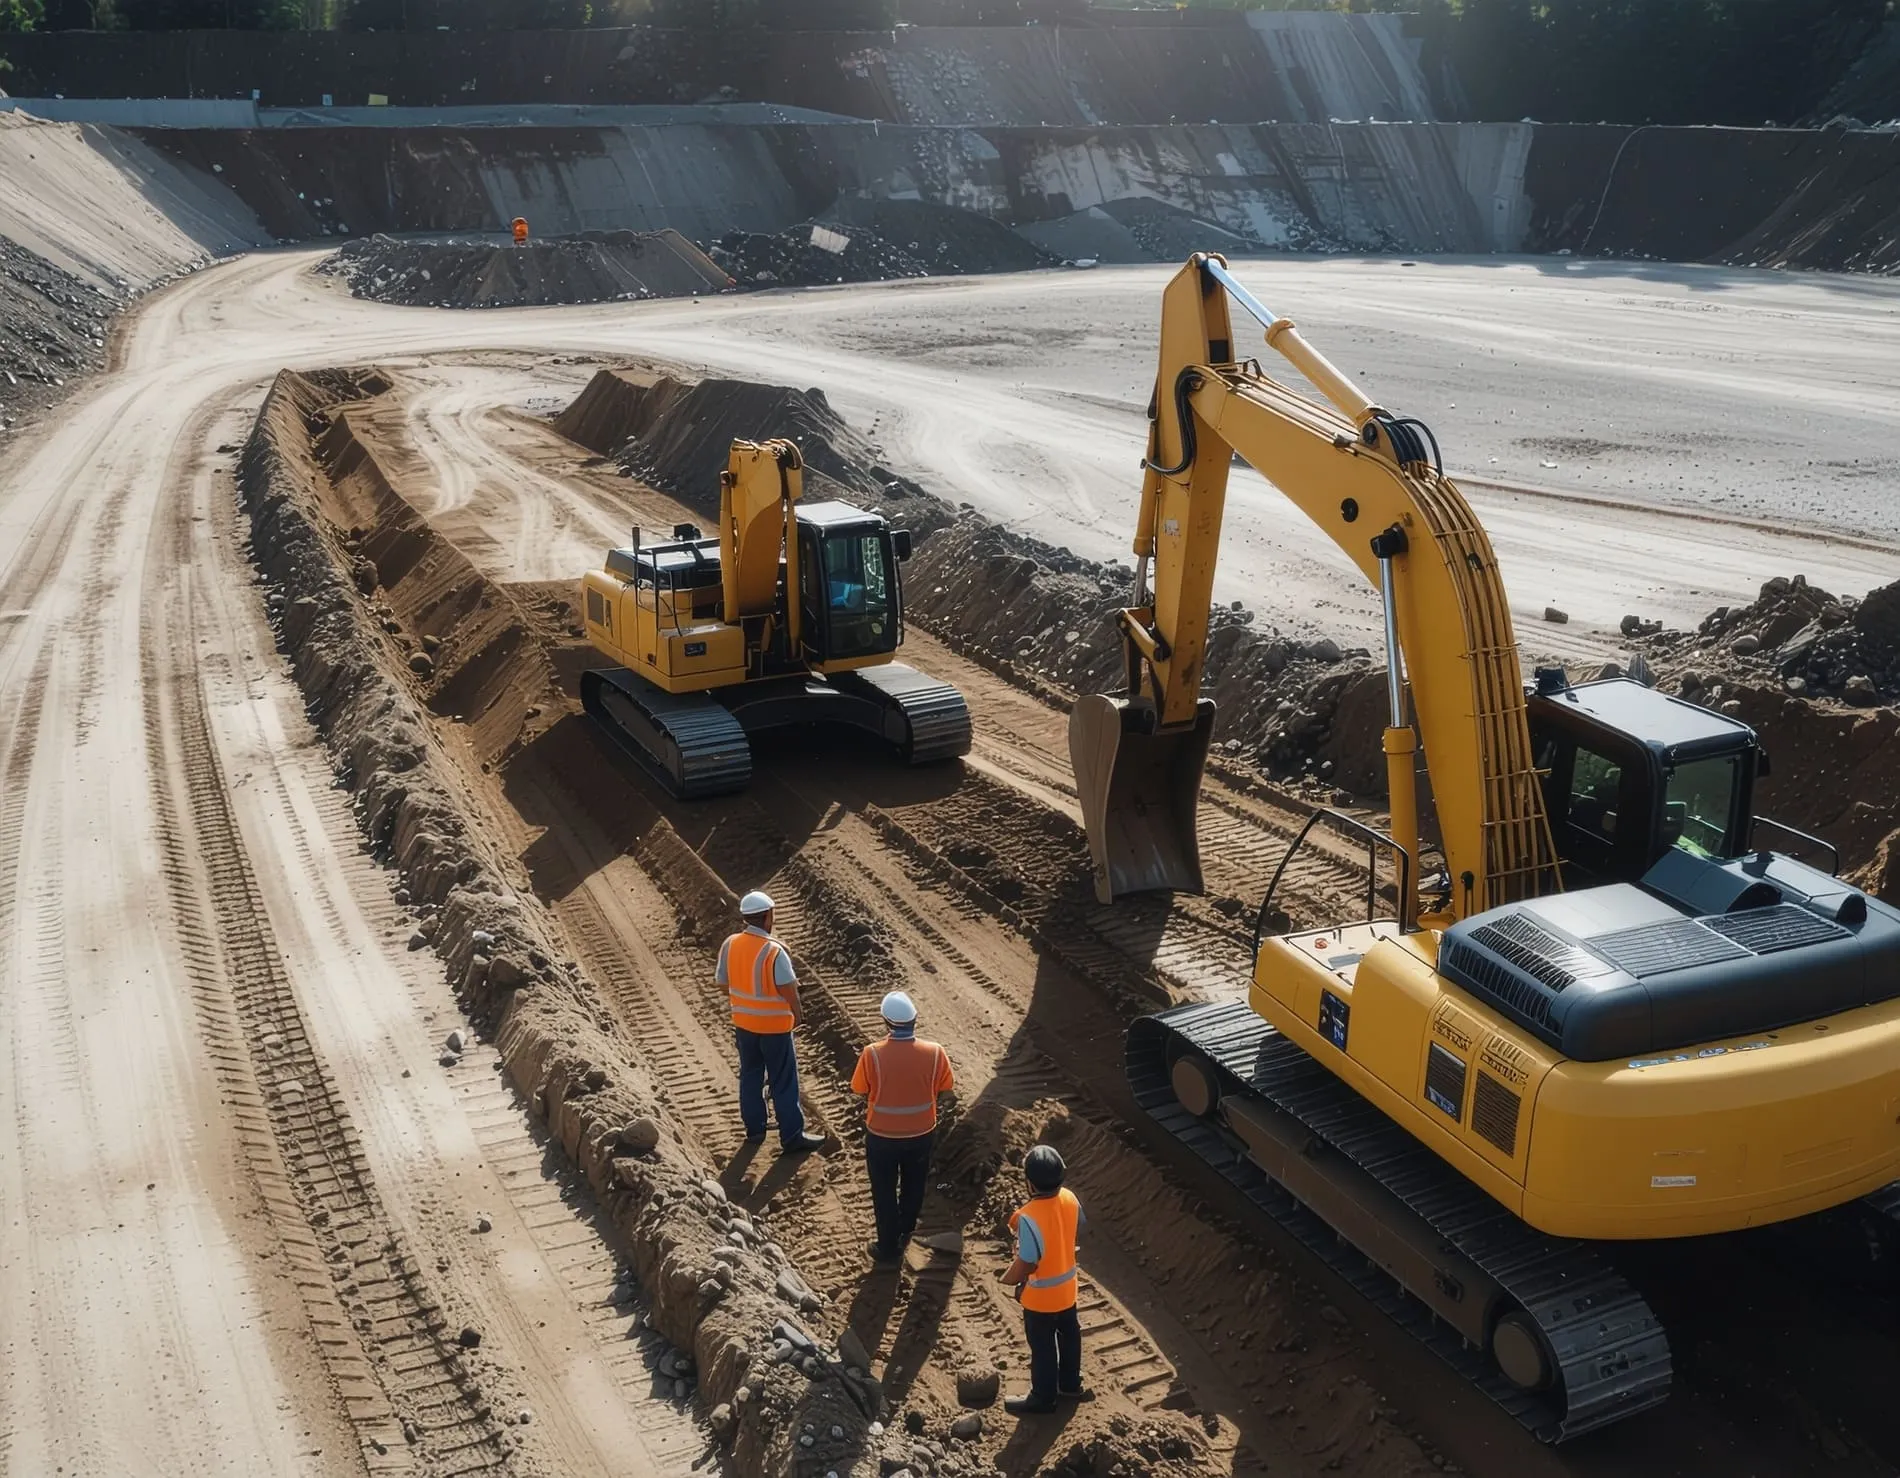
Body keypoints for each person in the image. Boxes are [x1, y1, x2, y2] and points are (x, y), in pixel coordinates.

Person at [850, 991, 955, 1267]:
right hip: (922, 1133)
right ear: (915, 1020)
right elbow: (945, 1089)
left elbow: (859, 1089)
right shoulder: (935, 1052)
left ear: (886, 1022)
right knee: (914, 1184)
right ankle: (906, 1229)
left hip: (882, 1136)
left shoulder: (872, 1054)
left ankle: (887, 1247)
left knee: (883, 1190)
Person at [716, 890, 823, 1154]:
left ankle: (754, 1130)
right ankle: (792, 1136)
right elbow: (788, 989)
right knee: (783, 1080)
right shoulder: (774, 951)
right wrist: (797, 1015)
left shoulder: (730, 943)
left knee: (750, 1076)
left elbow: (721, 984)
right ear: (767, 917)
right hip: (774, 1029)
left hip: (744, 1026)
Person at [999, 1145, 1093, 1415]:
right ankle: (1070, 1385)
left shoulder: (1029, 1218)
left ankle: (1043, 1397)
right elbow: (1077, 1227)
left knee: (1043, 1347)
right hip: (1067, 1291)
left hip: (1040, 1298)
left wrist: (1011, 1280)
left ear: (1029, 1183)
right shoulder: (1070, 1199)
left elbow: (1028, 1261)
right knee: (1070, 1336)